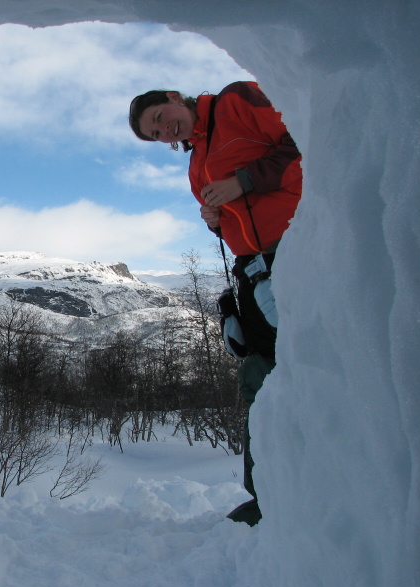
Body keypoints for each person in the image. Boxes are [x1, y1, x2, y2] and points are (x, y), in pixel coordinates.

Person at [128, 81, 302, 526]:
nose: (165, 132)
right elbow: (232, 215)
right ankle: (269, 492)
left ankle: (305, 483)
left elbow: (307, 142)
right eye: (156, 136)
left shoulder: (238, 101)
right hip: (254, 267)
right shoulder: (195, 162)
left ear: (171, 98)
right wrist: (213, 220)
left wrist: (241, 182)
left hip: (299, 249)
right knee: (261, 372)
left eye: (158, 120)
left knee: (304, 367)